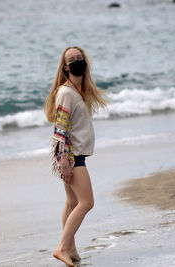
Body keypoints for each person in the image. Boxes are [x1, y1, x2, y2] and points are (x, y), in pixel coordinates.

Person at [44, 46, 108, 266]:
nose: (77, 61)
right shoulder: (66, 92)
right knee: (87, 202)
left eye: (80, 57)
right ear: (65, 67)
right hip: (71, 157)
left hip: (73, 155)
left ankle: (69, 248)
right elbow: (60, 128)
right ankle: (61, 247)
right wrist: (64, 161)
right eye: (72, 59)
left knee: (72, 202)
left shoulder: (79, 91)